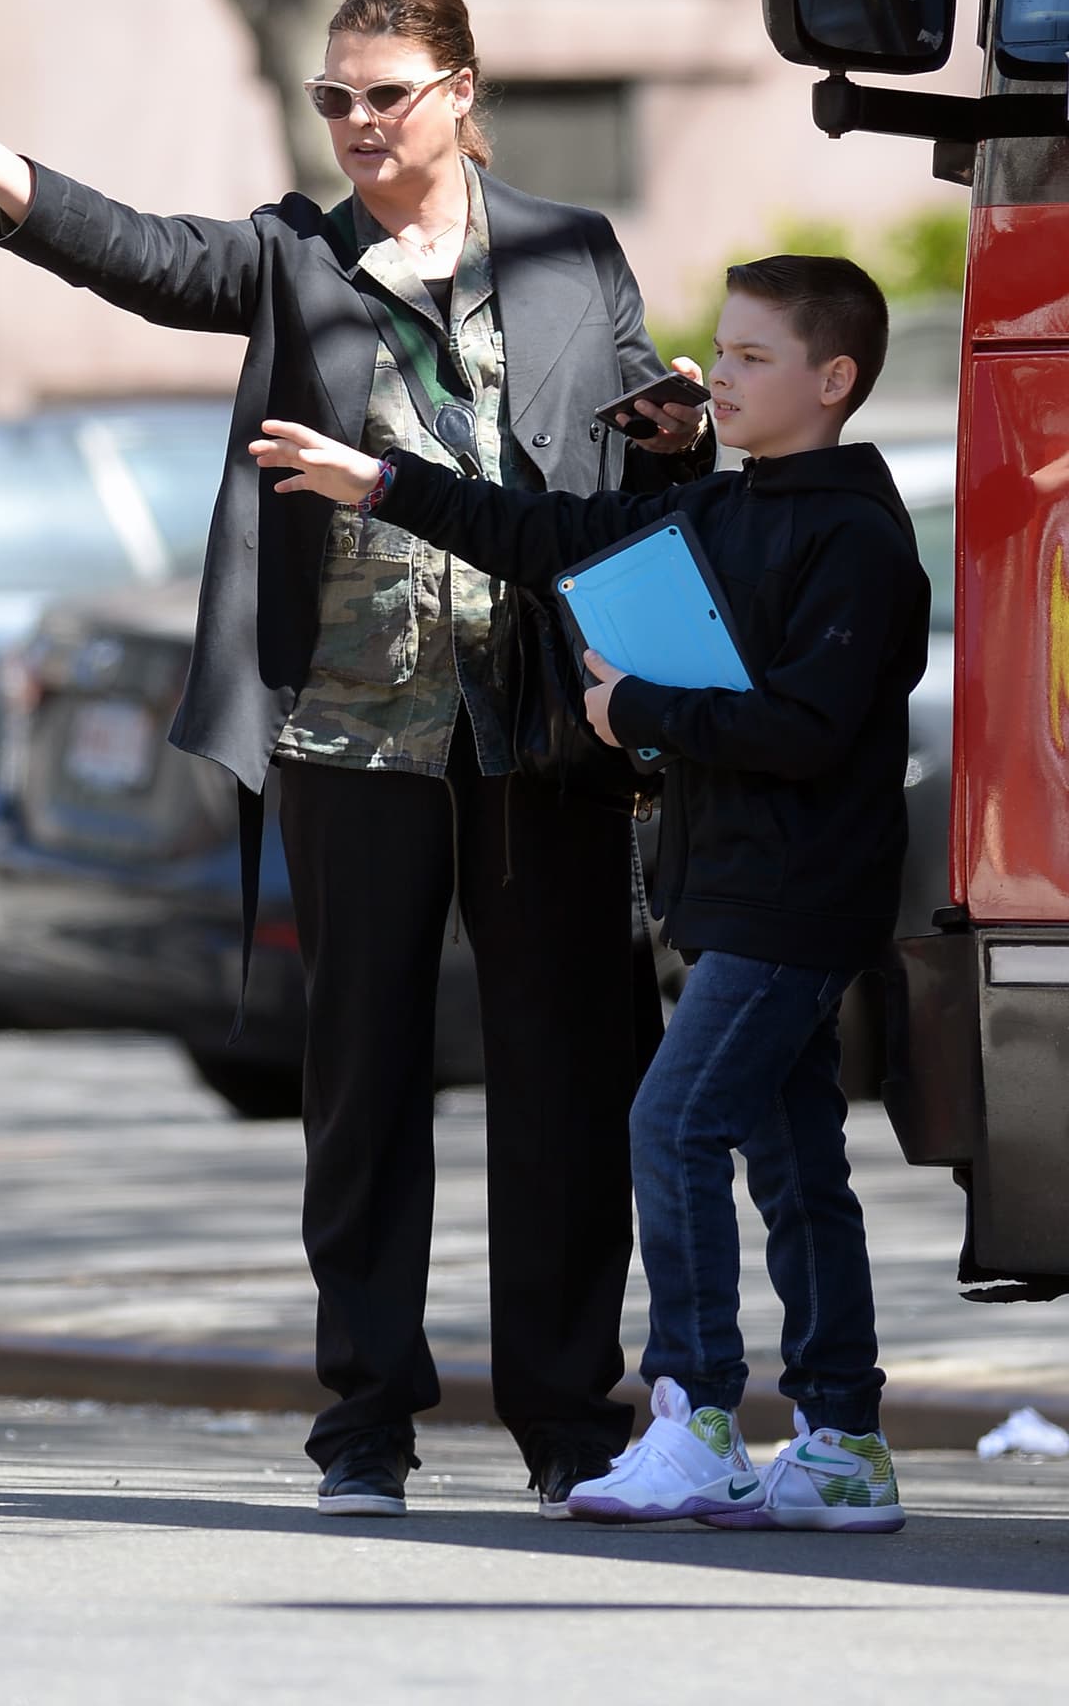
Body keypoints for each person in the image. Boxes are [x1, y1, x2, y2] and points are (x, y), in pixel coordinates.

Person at [0, 0, 713, 1519]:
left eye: (386, 93)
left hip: (542, 738)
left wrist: (682, 431)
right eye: (337, 97)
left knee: (567, 1084)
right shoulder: (296, 256)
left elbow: (634, 434)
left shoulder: (571, 250)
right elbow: (148, 257)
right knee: (363, 1081)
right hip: (350, 736)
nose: (360, 123)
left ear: (461, 88)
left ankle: (570, 1426)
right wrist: (2, 172)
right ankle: (365, 1427)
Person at [250, 252, 931, 1533]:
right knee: (790, 1164)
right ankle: (840, 1441)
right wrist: (383, 482)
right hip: (730, 893)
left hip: (794, 902)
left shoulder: (852, 530)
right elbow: (539, 533)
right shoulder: (722, 509)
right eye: (716, 353)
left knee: (669, 1127)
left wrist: (635, 712)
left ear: (831, 380)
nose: (711, 376)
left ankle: (697, 1417)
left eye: (748, 359)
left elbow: (806, 725)